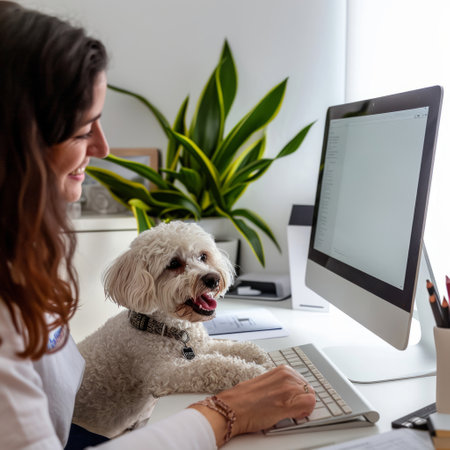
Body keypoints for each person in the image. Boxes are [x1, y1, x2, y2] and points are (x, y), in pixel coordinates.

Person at [0, 1, 316, 449]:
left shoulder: (21, 253)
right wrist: (228, 412)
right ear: (18, 142)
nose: (105, 148)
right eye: (82, 129)